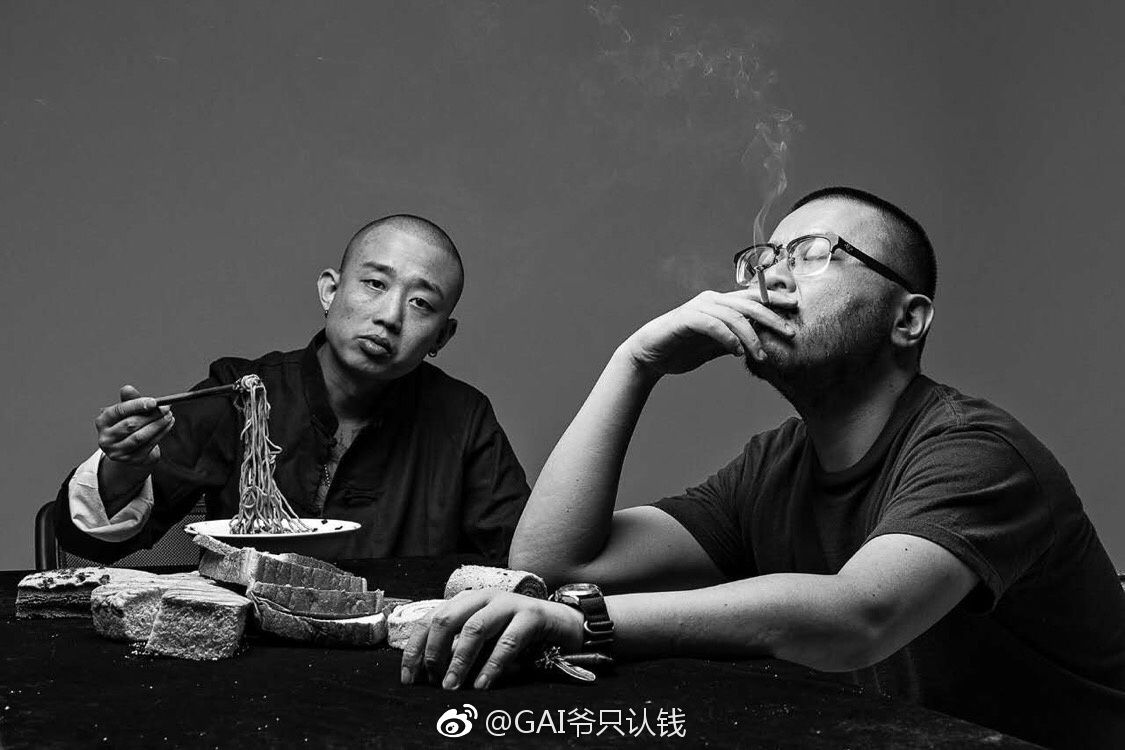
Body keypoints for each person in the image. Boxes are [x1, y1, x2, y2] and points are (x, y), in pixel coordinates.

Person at [400, 188, 1125, 749]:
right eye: (763, 259)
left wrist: (582, 622)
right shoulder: (774, 465)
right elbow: (552, 561)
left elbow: (857, 616)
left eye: (812, 253)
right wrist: (635, 362)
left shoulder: (976, 452)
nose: (770, 277)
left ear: (907, 319)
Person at [53, 214, 530, 563]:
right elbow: (89, 543)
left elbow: (525, 557)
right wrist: (122, 467)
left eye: (421, 302)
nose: (390, 316)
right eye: (374, 284)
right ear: (330, 291)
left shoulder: (463, 419)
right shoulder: (241, 394)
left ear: (441, 337)